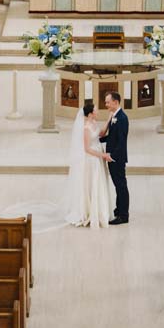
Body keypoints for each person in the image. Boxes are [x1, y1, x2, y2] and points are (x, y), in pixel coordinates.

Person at [64, 97, 113, 229]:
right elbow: (87, 149)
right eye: (96, 110)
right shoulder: (86, 127)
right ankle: (89, 212)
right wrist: (102, 155)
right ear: (90, 113)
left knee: (99, 184)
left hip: (97, 157)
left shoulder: (94, 123)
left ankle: (99, 210)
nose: (98, 111)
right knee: (93, 185)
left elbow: (100, 134)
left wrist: (109, 121)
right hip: (92, 160)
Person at [101, 90, 130, 225]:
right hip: (112, 157)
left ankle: (124, 215)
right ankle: (119, 209)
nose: (106, 104)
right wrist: (98, 140)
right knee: (118, 185)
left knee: (121, 186)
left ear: (115, 102)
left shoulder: (122, 118)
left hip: (116, 158)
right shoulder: (114, 115)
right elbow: (112, 138)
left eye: (108, 102)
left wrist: (111, 156)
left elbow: (121, 141)